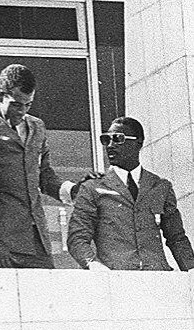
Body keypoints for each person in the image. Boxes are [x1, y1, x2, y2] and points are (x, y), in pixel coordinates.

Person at [0, 64, 85, 268]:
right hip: (1, 243)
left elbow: (45, 176)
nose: (22, 111)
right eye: (16, 104)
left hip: (39, 242)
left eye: (28, 105)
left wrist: (74, 191)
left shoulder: (37, 126)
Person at [68, 116, 194, 271]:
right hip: (116, 280)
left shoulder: (160, 186)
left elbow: (177, 238)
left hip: (158, 279)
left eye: (117, 139)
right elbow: (77, 238)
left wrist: (191, 270)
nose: (110, 145)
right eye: (106, 140)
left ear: (138, 143)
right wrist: (95, 266)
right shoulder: (92, 188)